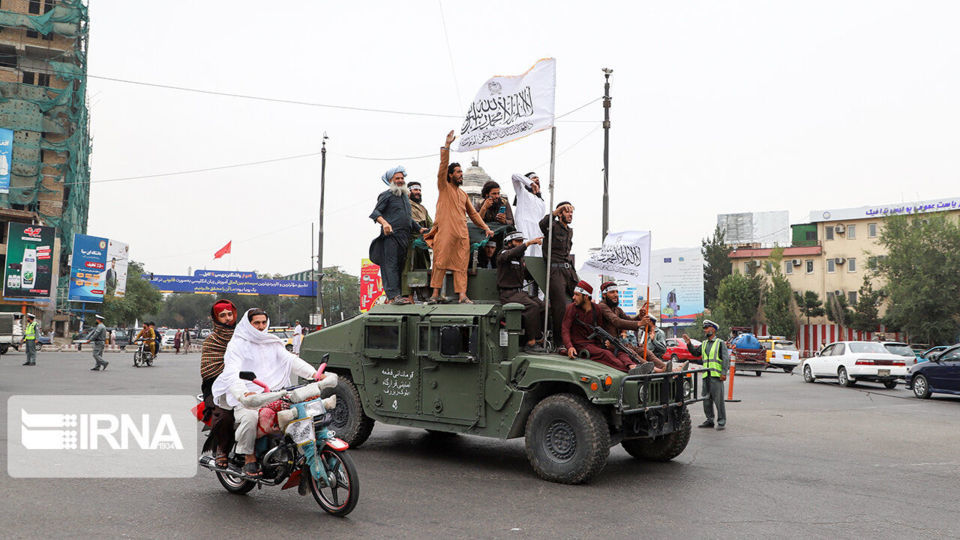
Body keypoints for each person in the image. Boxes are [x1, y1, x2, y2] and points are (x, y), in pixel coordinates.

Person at [211, 308, 326, 477]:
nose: (260, 326)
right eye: (256, 323)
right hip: (248, 395)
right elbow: (232, 372)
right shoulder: (237, 344)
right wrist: (243, 394)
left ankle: (296, 452)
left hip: (274, 393)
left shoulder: (272, 342)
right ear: (248, 324)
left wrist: (314, 374)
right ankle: (249, 458)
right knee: (250, 418)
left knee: (301, 412)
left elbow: (291, 360)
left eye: (263, 322)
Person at [424, 130, 493, 304]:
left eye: (462, 172)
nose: (461, 174)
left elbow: (473, 214)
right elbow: (442, 167)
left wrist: (485, 228)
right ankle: (435, 295)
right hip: (445, 233)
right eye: (458, 172)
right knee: (439, 262)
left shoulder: (462, 194)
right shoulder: (444, 187)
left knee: (461, 265)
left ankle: (462, 295)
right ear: (450, 175)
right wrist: (447, 146)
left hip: (461, 234)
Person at [561, 281, 647, 373]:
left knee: (620, 351)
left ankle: (633, 366)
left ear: (585, 297)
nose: (573, 297)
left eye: (577, 295)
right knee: (606, 354)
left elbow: (600, 328)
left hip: (595, 344)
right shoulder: (571, 308)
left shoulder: (596, 309)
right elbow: (565, 329)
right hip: (580, 345)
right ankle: (630, 370)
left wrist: (605, 342)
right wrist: (569, 347)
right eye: (612, 292)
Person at [369, 166, 425, 305]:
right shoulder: (386, 195)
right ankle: (394, 296)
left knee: (400, 266)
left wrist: (420, 229)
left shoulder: (405, 196)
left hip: (404, 238)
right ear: (390, 181)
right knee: (391, 266)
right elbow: (376, 213)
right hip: (391, 237)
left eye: (402, 178)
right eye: (397, 178)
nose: (400, 181)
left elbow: (407, 218)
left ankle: (399, 295)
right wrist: (385, 223)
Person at [596, 281, 670, 371]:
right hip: (609, 346)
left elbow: (629, 320)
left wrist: (639, 317)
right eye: (612, 292)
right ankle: (655, 370)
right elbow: (616, 321)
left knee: (646, 352)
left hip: (619, 344)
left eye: (616, 292)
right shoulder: (602, 306)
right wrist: (639, 323)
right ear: (604, 295)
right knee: (632, 354)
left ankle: (666, 368)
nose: (616, 295)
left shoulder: (617, 309)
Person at [201, 299, 238, 468]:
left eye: (230, 314)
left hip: (247, 382)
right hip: (218, 386)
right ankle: (222, 449)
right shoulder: (211, 341)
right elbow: (209, 370)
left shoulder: (243, 336)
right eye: (222, 315)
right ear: (215, 318)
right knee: (225, 415)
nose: (228, 318)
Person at [497, 231, 544, 351]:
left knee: (542, 306)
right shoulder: (503, 254)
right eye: (517, 241)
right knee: (532, 307)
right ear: (509, 242)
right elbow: (509, 254)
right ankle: (531, 342)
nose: (520, 244)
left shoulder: (520, 259)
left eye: (521, 241)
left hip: (519, 293)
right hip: (508, 294)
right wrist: (528, 243)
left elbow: (529, 274)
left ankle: (539, 338)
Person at [540, 202, 578, 345]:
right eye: (566, 211)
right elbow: (542, 224)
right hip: (555, 270)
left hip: (568, 270)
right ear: (560, 213)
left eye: (571, 212)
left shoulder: (570, 230)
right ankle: (559, 342)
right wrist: (556, 211)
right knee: (559, 307)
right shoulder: (552, 227)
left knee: (585, 297)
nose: (570, 214)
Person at [683, 319, 730, 430]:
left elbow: (725, 359)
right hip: (706, 376)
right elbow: (695, 353)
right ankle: (709, 420)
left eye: (706, 328)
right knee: (706, 400)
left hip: (716, 376)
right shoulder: (703, 344)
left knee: (718, 400)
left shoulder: (720, 343)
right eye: (704, 328)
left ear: (713, 329)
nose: (705, 330)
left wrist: (724, 373)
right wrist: (689, 343)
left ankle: (721, 421)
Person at [402, 180, 434, 302]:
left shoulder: (423, 208)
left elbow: (431, 224)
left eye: (419, 190)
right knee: (409, 269)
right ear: (409, 191)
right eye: (415, 190)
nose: (418, 192)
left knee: (424, 268)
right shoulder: (405, 204)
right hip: (410, 240)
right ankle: (408, 296)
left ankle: (422, 295)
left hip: (423, 242)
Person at [511, 172, 546, 258]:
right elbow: (514, 176)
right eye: (533, 178)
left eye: (538, 178)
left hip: (537, 228)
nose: (537, 180)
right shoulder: (522, 192)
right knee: (526, 249)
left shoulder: (541, 201)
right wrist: (530, 183)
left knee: (537, 251)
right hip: (524, 224)